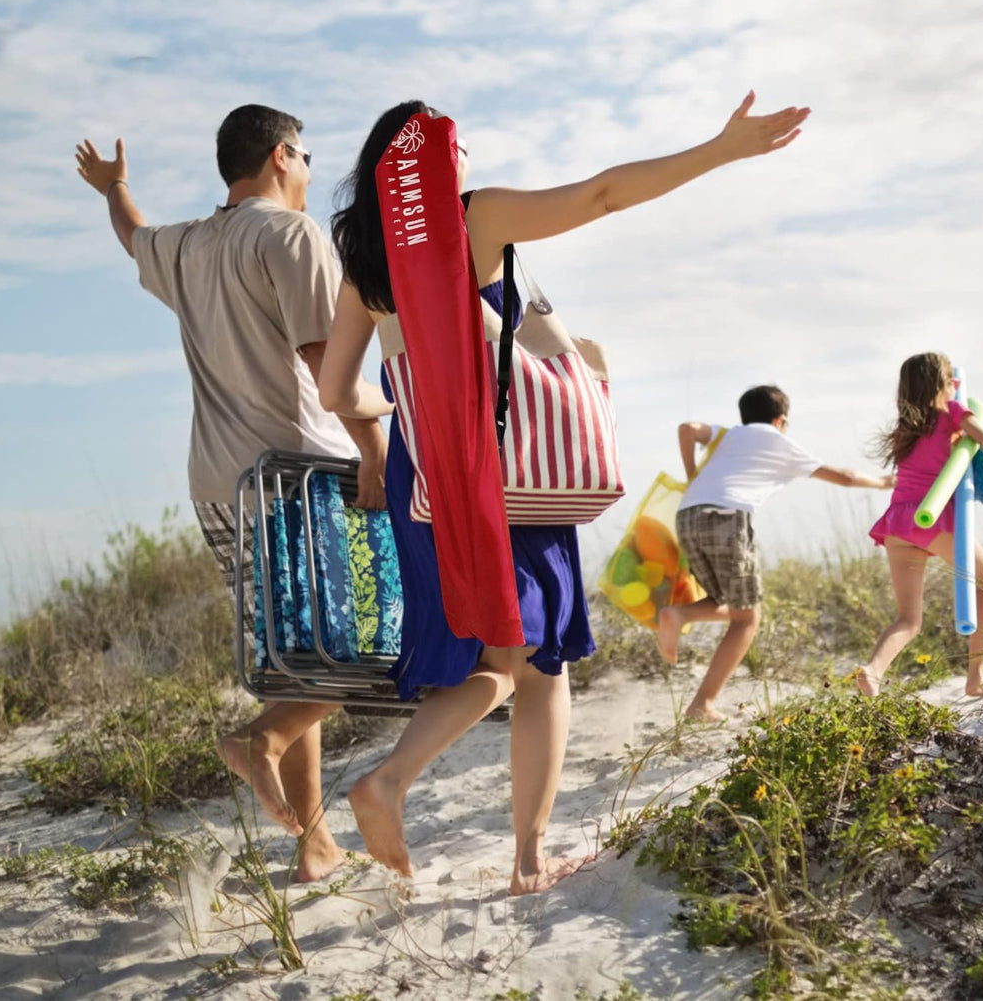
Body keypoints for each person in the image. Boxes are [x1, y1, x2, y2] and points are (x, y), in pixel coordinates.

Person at [319, 91, 811, 893]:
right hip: (503, 468)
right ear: (437, 160)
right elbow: (602, 193)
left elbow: (339, 391)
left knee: (495, 660)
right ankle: (494, 841)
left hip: (426, 476)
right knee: (537, 664)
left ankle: (420, 797)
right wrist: (719, 151)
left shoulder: (368, 260)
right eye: (459, 140)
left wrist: (408, 402)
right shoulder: (471, 219)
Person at [74, 104, 390, 882]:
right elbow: (333, 372)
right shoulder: (289, 236)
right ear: (282, 155)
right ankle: (263, 741)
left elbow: (130, 236)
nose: (313, 171)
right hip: (302, 473)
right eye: (308, 156)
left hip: (221, 486)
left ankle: (313, 842)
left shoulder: (184, 244)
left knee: (299, 661)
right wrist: (379, 455)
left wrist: (114, 188)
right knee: (378, 641)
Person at [657, 384, 894, 721]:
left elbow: (687, 429)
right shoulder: (778, 440)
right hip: (728, 517)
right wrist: (884, 483)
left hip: (688, 516)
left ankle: (681, 616)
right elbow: (844, 477)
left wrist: (692, 474)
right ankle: (701, 703)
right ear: (781, 420)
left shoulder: (728, 435)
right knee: (747, 619)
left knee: (727, 601)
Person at [858, 352, 983, 697]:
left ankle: (872, 671)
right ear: (943, 385)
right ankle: (975, 677)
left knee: (908, 619)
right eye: (951, 381)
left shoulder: (906, 428)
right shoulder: (952, 414)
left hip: (898, 524)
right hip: (931, 517)